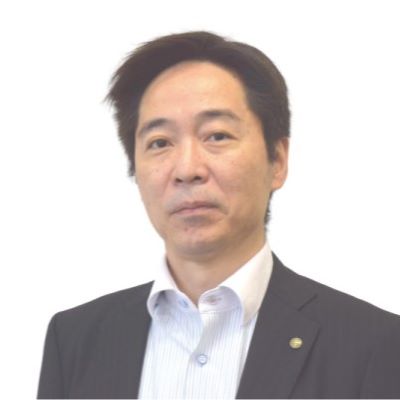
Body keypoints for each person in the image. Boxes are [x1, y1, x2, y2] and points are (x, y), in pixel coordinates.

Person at [37, 31, 400, 399]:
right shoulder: (75, 340)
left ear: (277, 160)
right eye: (160, 142)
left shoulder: (371, 345)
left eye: (217, 136)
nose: (187, 169)